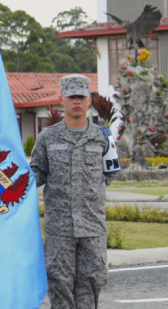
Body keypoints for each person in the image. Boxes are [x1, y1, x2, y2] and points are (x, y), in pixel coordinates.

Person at [31, 74, 114, 309]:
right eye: (71, 97)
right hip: (60, 229)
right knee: (59, 283)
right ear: (62, 100)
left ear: (89, 100)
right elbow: (35, 175)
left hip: (92, 228)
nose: (76, 101)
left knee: (91, 284)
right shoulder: (47, 138)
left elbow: (110, 174)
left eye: (81, 96)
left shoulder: (102, 138)